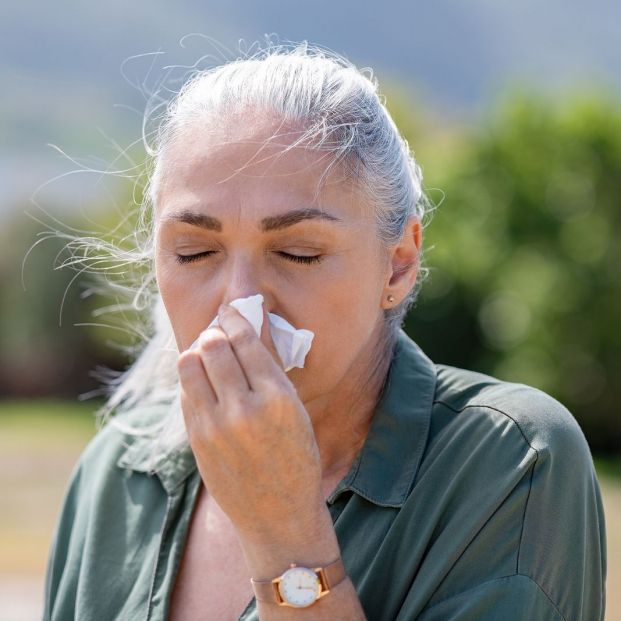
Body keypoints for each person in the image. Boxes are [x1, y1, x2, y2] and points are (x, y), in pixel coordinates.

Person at [43, 43, 606, 620]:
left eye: (297, 252)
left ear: (398, 265)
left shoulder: (508, 461)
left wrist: (285, 533)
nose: (240, 303)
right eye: (194, 252)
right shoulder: (121, 467)